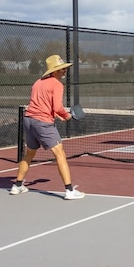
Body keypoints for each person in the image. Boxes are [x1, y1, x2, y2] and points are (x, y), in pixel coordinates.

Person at [9, 55, 85, 200]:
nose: (64, 71)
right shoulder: (57, 85)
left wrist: (58, 115)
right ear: (53, 71)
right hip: (42, 122)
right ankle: (69, 191)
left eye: (65, 68)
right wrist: (66, 115)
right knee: (60, 154)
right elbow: (57, 106)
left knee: (29, 153)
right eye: (61, 69)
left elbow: (41, 104)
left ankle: (17, 185)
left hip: (29, 120)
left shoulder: (38, 82)